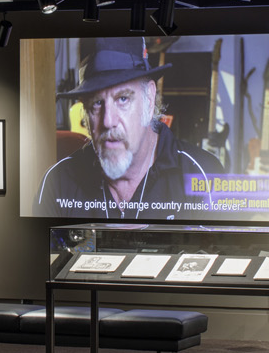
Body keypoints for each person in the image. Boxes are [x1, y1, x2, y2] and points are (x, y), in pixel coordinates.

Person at [35, 37, 222, 219]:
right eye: (97, 103)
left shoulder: (204, 174)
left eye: (122, 99)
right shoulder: (57, 182)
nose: (108, 121)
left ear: (149, 100)